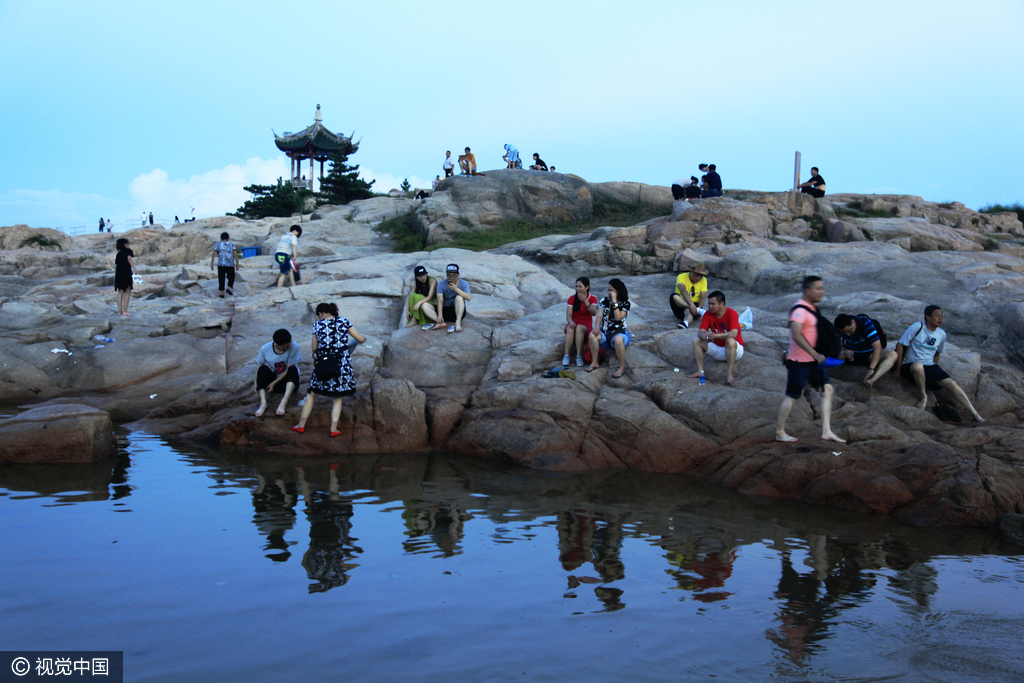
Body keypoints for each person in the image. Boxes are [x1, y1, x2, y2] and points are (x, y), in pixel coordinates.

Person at [776, 276, 845, 443]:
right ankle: (780, 432)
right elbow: (796, 334)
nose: (822, 292)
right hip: (799, 362)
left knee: (827, 390)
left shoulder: (814, 309)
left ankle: (826, 431)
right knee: (792, 396)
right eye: (818, 289)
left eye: (822, 288)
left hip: (815, 362)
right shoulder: (799, 310)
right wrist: (814, 353)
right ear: (808, 290)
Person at [892, 305, 984, 421]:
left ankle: (975, 414)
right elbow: (900, 345)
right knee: (918, 367)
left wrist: (934, 370)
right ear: (928, 317)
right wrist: (898, 368)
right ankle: (923, 397)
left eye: (942, 316)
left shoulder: (941, 334)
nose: (940, 319)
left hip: (929, 366)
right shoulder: (917, 327)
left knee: (951, 384)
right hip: (910, 365)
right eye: (937, 316)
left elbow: (937, 354)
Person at [292, 303, 366, 437]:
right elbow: (360, 338)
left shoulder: (317, 325)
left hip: (324, 362)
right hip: (341, 363)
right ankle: (333, 429)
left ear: (320, 314)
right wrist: (363, 339)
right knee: (337, 397)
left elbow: (314, 348)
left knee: (312, 394)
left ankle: (301, 425)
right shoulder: (344, 321)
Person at [689, 290, 744, 385]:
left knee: (730, 341)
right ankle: (700, 371)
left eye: (713, 304)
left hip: (735, 350)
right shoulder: (707, 314)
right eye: (709, 304)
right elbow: (700, 332)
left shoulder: (732, 313)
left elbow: (733, 334)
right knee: (697, 341)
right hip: (719, 350)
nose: (710, 306)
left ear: (722, 304)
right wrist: (705, 337)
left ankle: (729, 374)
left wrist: (717, 336)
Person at [834, 313, 896, 388]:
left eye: (849, 330)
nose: (847, 334)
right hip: (851, 354)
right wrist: (844, 350)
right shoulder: (838, 327)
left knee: (893, 355)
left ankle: (871, 380)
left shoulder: (866, 324)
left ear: (853, 322)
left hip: (869, 355)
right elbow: (835, 345)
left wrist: (871, 368)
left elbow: (877, 347)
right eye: (844, 333)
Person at [586, 279, 631, 379]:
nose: (609, 293)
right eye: (609, 290)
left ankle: (622, 367)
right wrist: (597, 327)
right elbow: (599, 316)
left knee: (618, 339)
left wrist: (614, 302)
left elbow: (618, 317)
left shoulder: (625, 304)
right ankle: (595, 362)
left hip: (619, 332)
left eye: (612, 290)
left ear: (618, 291)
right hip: (605, 333)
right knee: (592, 335)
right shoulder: (604, 301)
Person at [254, 328, 301, 417]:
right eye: (285, 346)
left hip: (289, 383)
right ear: (276, 345)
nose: (288, 347)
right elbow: (259, 367)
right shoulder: (265, 349)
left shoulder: (294, 346)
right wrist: (256, 382)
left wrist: (273, 383)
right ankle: (263, 403)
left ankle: (284, 402)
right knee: (263, 369)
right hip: (273, 382)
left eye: (289, 344)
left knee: (293, 369)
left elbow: (289, 368)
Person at [562, 277, 599, 367]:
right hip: (573, 323)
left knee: (579, 328)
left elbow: (593, 313)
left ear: (586, 287)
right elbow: (569, 314)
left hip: (586, 325)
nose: (577, 288)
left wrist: (585, 300)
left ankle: (579, 356)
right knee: (571, 328)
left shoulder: (593, 298)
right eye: (576, 286)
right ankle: (566, 355)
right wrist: (570, 321)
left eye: (580, 286)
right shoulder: (572, 299)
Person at [432, 263, 471, 333]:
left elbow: (468, 297)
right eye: (449, 275)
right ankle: (440, 322)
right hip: (445, 310)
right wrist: (440, 315)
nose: (451, 278)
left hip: (456, 311)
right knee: (425, 305)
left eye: (454, 276)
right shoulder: (441, 284)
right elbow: (440, 300)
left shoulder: (464, 284)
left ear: (458, 275)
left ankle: (458, 323)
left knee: (459, 297)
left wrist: (456, 289)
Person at [670, 262, 709, 329]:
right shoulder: (681, 276)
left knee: (688, 310)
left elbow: (703, 296)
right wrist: (691, 305)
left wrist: (699, 307)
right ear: (691, 272)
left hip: (695, 307)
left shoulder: (704, 280)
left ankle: (685, 323)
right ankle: (698, 310)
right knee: (674, 296)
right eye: (697, 275)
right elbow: (682, 290)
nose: (699, 278)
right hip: (681, 305)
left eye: (701, 276)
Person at [210, 232, 242, 298]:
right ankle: (228, 288)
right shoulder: (232, 245)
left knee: (221, 278)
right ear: (228, 238)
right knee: (231, 277)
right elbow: (235, 254)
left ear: (221, 238)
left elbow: (214, 254)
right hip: (230, 264)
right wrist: (237, 264)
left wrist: (212, 264)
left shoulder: (218, 245)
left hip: (221, 264)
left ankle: (222, 294)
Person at [114, 237, 137, 317]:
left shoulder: (118, 254)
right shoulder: (128, 251)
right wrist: (134, 268)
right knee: (127, 291)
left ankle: (120, 312)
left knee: (120, 293)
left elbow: (117, 264)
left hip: (119, 273)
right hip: (126, 272)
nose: (129, 245)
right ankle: (125, 311)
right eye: (128, 243)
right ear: (125, 244)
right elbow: (129, 259)